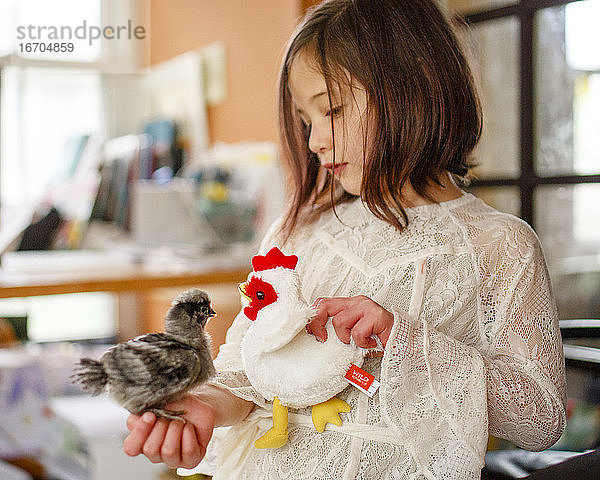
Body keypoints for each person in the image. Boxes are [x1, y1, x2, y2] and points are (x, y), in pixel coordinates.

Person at [123, 0, 567, 478]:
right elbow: (249, 364)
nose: (314, 141)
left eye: (330, 110)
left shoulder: (500, 245)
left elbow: (540, 417)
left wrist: (404, 341)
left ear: (413, 86)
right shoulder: (296, 232)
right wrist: (206, 403)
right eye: (305, 119)